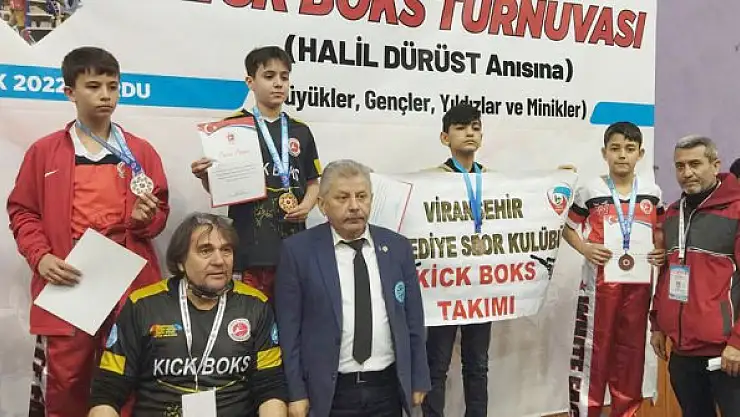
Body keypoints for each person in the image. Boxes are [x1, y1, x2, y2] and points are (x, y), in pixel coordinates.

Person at [6, 46, 169, 417]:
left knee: (131, 375)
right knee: (66, 382)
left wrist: (145, 219)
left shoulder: (140, 152)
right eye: (94, 86)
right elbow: (23, 211)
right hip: (70, 281)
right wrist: (41, 257)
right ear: (70, 92)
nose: (105, 95)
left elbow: (159, 214)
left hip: (128, 282)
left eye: (112, 86)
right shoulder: (45, 152)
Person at [87, 213, 287, 417]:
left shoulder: (255, 305)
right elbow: (108, 390)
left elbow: (270, 388)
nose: (219, 261)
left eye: (226, 250)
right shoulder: (142, 305)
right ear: (181, 261)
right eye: (206, 250)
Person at [274, 160, 430, 417]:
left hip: (387, 388)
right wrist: (296, 392)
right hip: (330, 392)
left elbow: (413, 318)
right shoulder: (298, 251)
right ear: (322, 204)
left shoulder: (397, 247)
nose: (355, 206)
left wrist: (419, 377)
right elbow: (289, 331)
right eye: (342, 197)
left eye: (362, 196)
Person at [190, 46, 321, 299]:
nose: (278, 83)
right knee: (251, 314)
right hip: (249, 247)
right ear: (250, 82)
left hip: (293, 246)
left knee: (291, 313)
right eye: (269, 76)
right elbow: (221, 188)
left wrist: (307, 205)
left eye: (284, 77)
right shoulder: (231, 127)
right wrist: (205, 176)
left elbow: (313, 181)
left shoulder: (300, 130)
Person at [562, 121, 665, 417]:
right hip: (599, 286)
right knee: (594, 352)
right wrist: (585, 248)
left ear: (640, 154)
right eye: (615, 148)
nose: (622, 155)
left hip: (639, 285)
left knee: (631, 355)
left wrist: (660, 250)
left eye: (629, 149)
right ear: (604, 152)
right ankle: (586, 412)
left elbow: (659, 231)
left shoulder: (652, 192)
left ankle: (626, 412)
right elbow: (567, 227)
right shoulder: (590, 189)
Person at [649, 135, 740, 417]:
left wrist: (738, 342)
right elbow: (666, 272)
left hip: (727, 353)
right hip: (682, 353)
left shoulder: (736, 211)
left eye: (695, 164)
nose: (687, 173)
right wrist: (657, 323)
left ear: (715, 165)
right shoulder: (672, 214)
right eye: (680, 166)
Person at [421, 104, 491, 417]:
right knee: (436, 365)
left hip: (481, 286)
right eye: (461, 128)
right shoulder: (431, 180)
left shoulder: (494, 180)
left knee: (478, 364)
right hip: (444, 286)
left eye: (475, 127)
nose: (469, 133)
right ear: (444, 137)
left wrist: (558, 177)